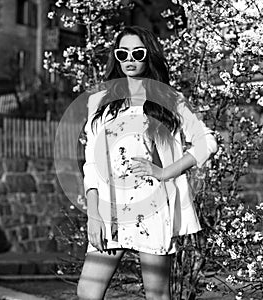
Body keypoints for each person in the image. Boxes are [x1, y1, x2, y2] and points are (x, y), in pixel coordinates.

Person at [77, 26, 218, 300]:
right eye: (122, 53)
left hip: (152, 210)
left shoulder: (170, 100)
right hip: (110, 209)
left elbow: (207, 143)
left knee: (157, 296)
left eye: (138, 52)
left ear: (148, 55)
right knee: (87, 292)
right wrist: (93, 214)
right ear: (116, 58)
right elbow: (91, 165)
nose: (130, 58)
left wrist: (165, 172)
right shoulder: (99, 102)